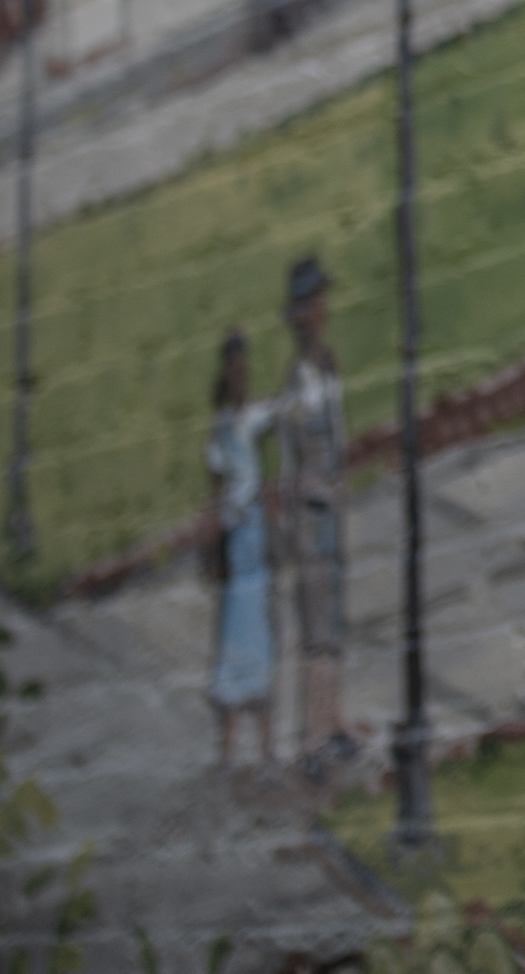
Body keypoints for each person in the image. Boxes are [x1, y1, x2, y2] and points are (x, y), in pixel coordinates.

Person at [275, 255, 350, 773]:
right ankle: (312, 739)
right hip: (310, 513)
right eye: (312, 302)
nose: (320, 310)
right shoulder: (298, 381)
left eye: (322, 299)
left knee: (335, 624)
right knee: (317, 628)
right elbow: (291, 461)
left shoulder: (327, 367)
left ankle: (334, 722)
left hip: (332, 510)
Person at [203, 327, 285, 769]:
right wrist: (213, 542)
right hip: (238, 536)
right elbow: (217, 494)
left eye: (244, 370)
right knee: (237, 637)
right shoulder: (221, 433)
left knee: (262, 639)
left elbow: (277, 413)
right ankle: (230, 750)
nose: (242, 379)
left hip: (254, 530)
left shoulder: (250, 419)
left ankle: (267, 748)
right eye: (235, 372)